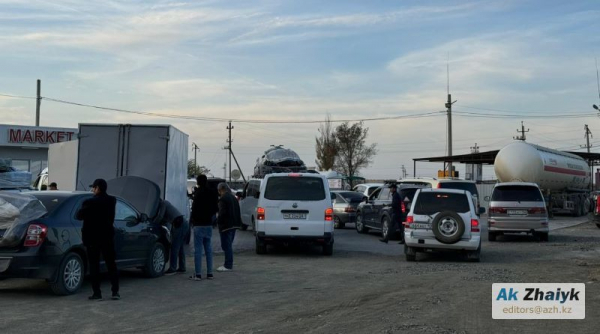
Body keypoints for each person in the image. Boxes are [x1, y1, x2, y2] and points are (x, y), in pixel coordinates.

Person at [76, 179, 119, 301]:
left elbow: (79, 216)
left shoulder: (89, 202)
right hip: (107, 237)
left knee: (94, 266)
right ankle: (115, 292)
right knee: (111, 264)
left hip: (92, 239)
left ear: (98, 188)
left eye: (93, 188)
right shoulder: (112, 201)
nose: (92, 190)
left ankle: (97, 293)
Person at [189, 175, 219, 281]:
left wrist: (192, 221)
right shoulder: (212, 193)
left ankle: (198, 274)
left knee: (198, 250)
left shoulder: (198, 194)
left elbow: (194, 209)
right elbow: (216, 208)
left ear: (198, 182)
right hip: (208, 224)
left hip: (198, 224)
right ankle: (210, 273)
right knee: (208, 249)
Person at [216, 182, 242, 272]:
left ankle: (228, 264)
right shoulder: (233, 198)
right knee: (228, 245)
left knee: (226, 245)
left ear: (221, 189)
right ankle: (229, 263)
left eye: (219, 190)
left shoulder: (223, 199)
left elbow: (222, 213)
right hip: (234, 224)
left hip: (226, 225)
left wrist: (217, 221)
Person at [164, 201, 189, 276]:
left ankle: (172, 268)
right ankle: (182, 268)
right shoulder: (167, 204)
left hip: (179, 225)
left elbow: (160, 216)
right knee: (180, 247)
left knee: (174, 247)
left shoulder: (163, 205)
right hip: (183, 223)